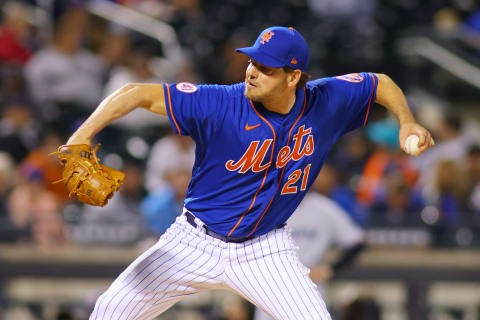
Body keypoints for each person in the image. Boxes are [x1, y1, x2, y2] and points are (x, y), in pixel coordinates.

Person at [62, 26, 434, 320]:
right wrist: (80, 136)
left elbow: (379, 82)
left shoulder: (326, 100)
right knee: (109, 312)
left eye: (266, 68)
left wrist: (407, 121)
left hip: (264, 249)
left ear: (293, 77)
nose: (252, 72)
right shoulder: (219, 101)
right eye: (252, 62)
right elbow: (134, 93)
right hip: (192, 241)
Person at [254, 174, 366, 320]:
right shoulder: (267, 207)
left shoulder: (324, 208)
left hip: (310, 286)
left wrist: (330, 269)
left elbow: (357, 242)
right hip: (273, 284)